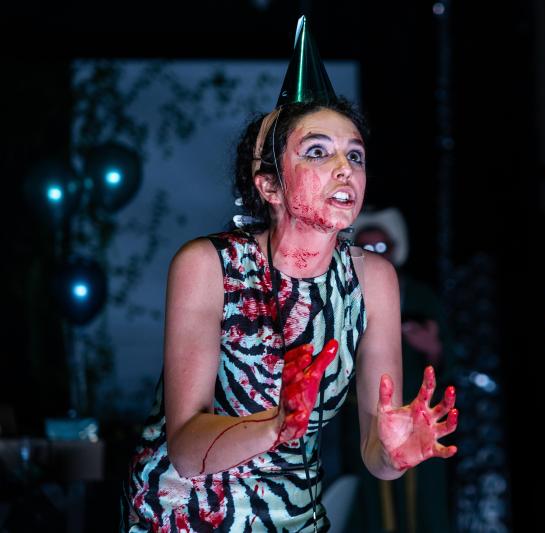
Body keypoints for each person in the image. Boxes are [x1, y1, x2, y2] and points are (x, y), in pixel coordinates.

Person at [122, 17, 458, 532]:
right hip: (185, 514)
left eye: (355, 155)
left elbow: (376, 452)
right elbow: (187, 450)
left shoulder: (373, 280)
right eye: (318, 152)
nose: (345, 168)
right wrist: (276, 424)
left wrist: (394, 453)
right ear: (270, 186)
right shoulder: (209, 265)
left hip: (295, 514)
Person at [341, 207, 453, 533]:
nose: (375, 255)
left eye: (381, 247)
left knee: (423, 502)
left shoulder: (420, 296)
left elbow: (449, 356)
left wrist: (432, 348)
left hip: (416, 416)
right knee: (371, 503)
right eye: (366, 248)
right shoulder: (343, 298)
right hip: (364, 418)